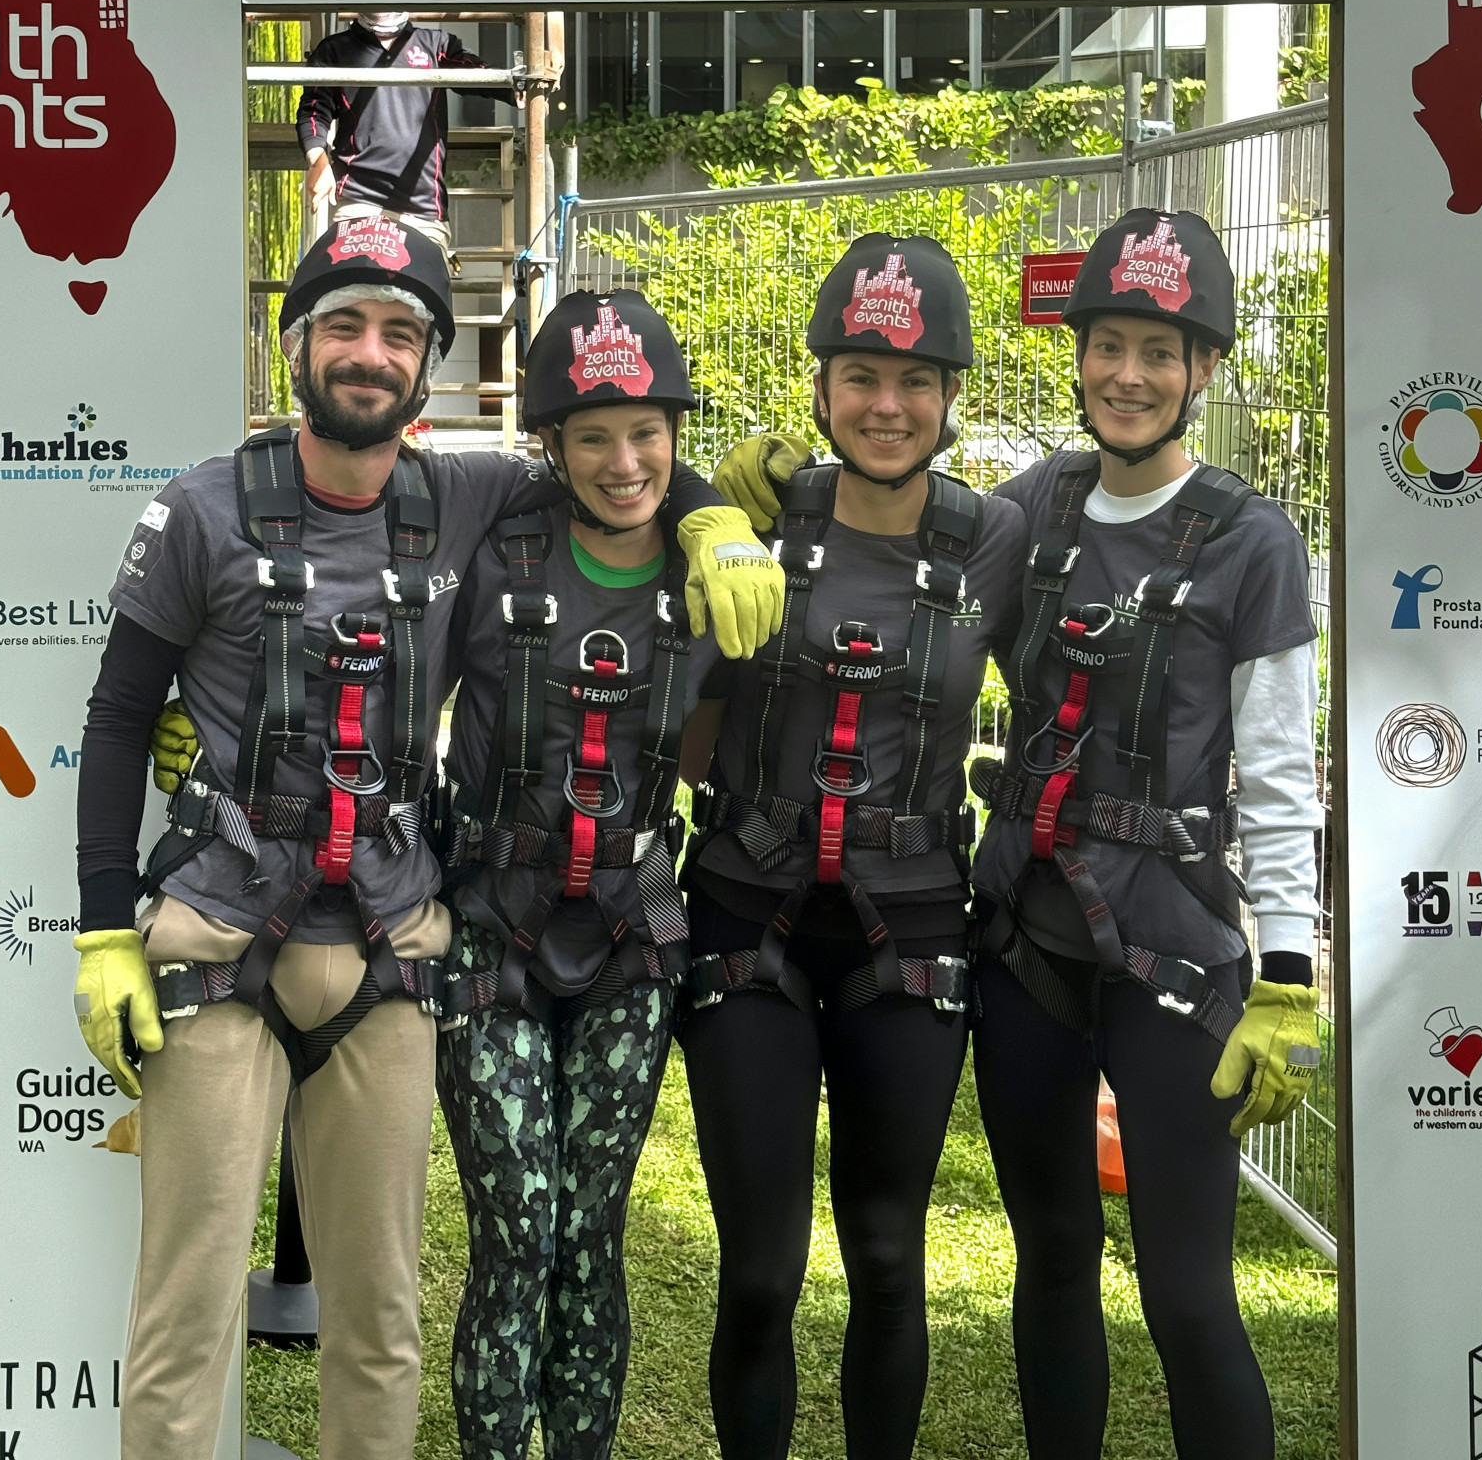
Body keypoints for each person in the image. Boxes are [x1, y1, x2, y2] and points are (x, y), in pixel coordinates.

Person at [71, 216, 782, 1460]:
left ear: (427, 364)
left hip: (393, 937)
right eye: (342, 322)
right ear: (294, 341)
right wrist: (97, 925)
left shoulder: (470, 495)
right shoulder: (200, 510)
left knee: (384, 1313)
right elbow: (121, 713)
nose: (369, 351)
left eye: (402, 331)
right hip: (217, 926)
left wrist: (716, 517)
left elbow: (622, 454)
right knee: (185, 1309)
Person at [968, 207, 1322, 1460]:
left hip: (1175, 952)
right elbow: (897, 540)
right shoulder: (1033, 507)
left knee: (1185, 1292)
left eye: (1160, 351)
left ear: (1204, 370)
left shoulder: (1250, 539)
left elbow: (1281, 770)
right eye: (1108, 343)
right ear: (1079, 355)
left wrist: (1286, 965)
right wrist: (761, 498)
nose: (1129, 374)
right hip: (1025, 943)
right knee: (1053, 1258)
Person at [681, 234, 1028, 1460]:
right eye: (862, 375)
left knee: (888, 1254)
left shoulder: (1001, 537)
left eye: (918, 378)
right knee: (765, 1268)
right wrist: (698, 516)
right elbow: (681, 725)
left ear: (952, 393)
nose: (889, 405)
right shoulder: (754, 513)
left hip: (917, 918)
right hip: (746, 904)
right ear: (820, 384)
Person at [435, 287, 726, 1460]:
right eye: (592, 434)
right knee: (519, 1227)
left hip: (630, 934)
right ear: (550, 443)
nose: (624, 460)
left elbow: (733, 748)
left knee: (591, 1230)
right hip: (491, 926)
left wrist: (718, 516)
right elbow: (393, 671)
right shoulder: (495, 546)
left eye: (647, 430)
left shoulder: (717, 571)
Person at [296, 9, 485, 237]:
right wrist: (318, 158)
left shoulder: (436, 44)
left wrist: (519, 90)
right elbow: (314, 110)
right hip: (357, 201)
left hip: (423, 206)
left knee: (423, 273)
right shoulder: (335, 50)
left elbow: (480, 75)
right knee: (356, 273)